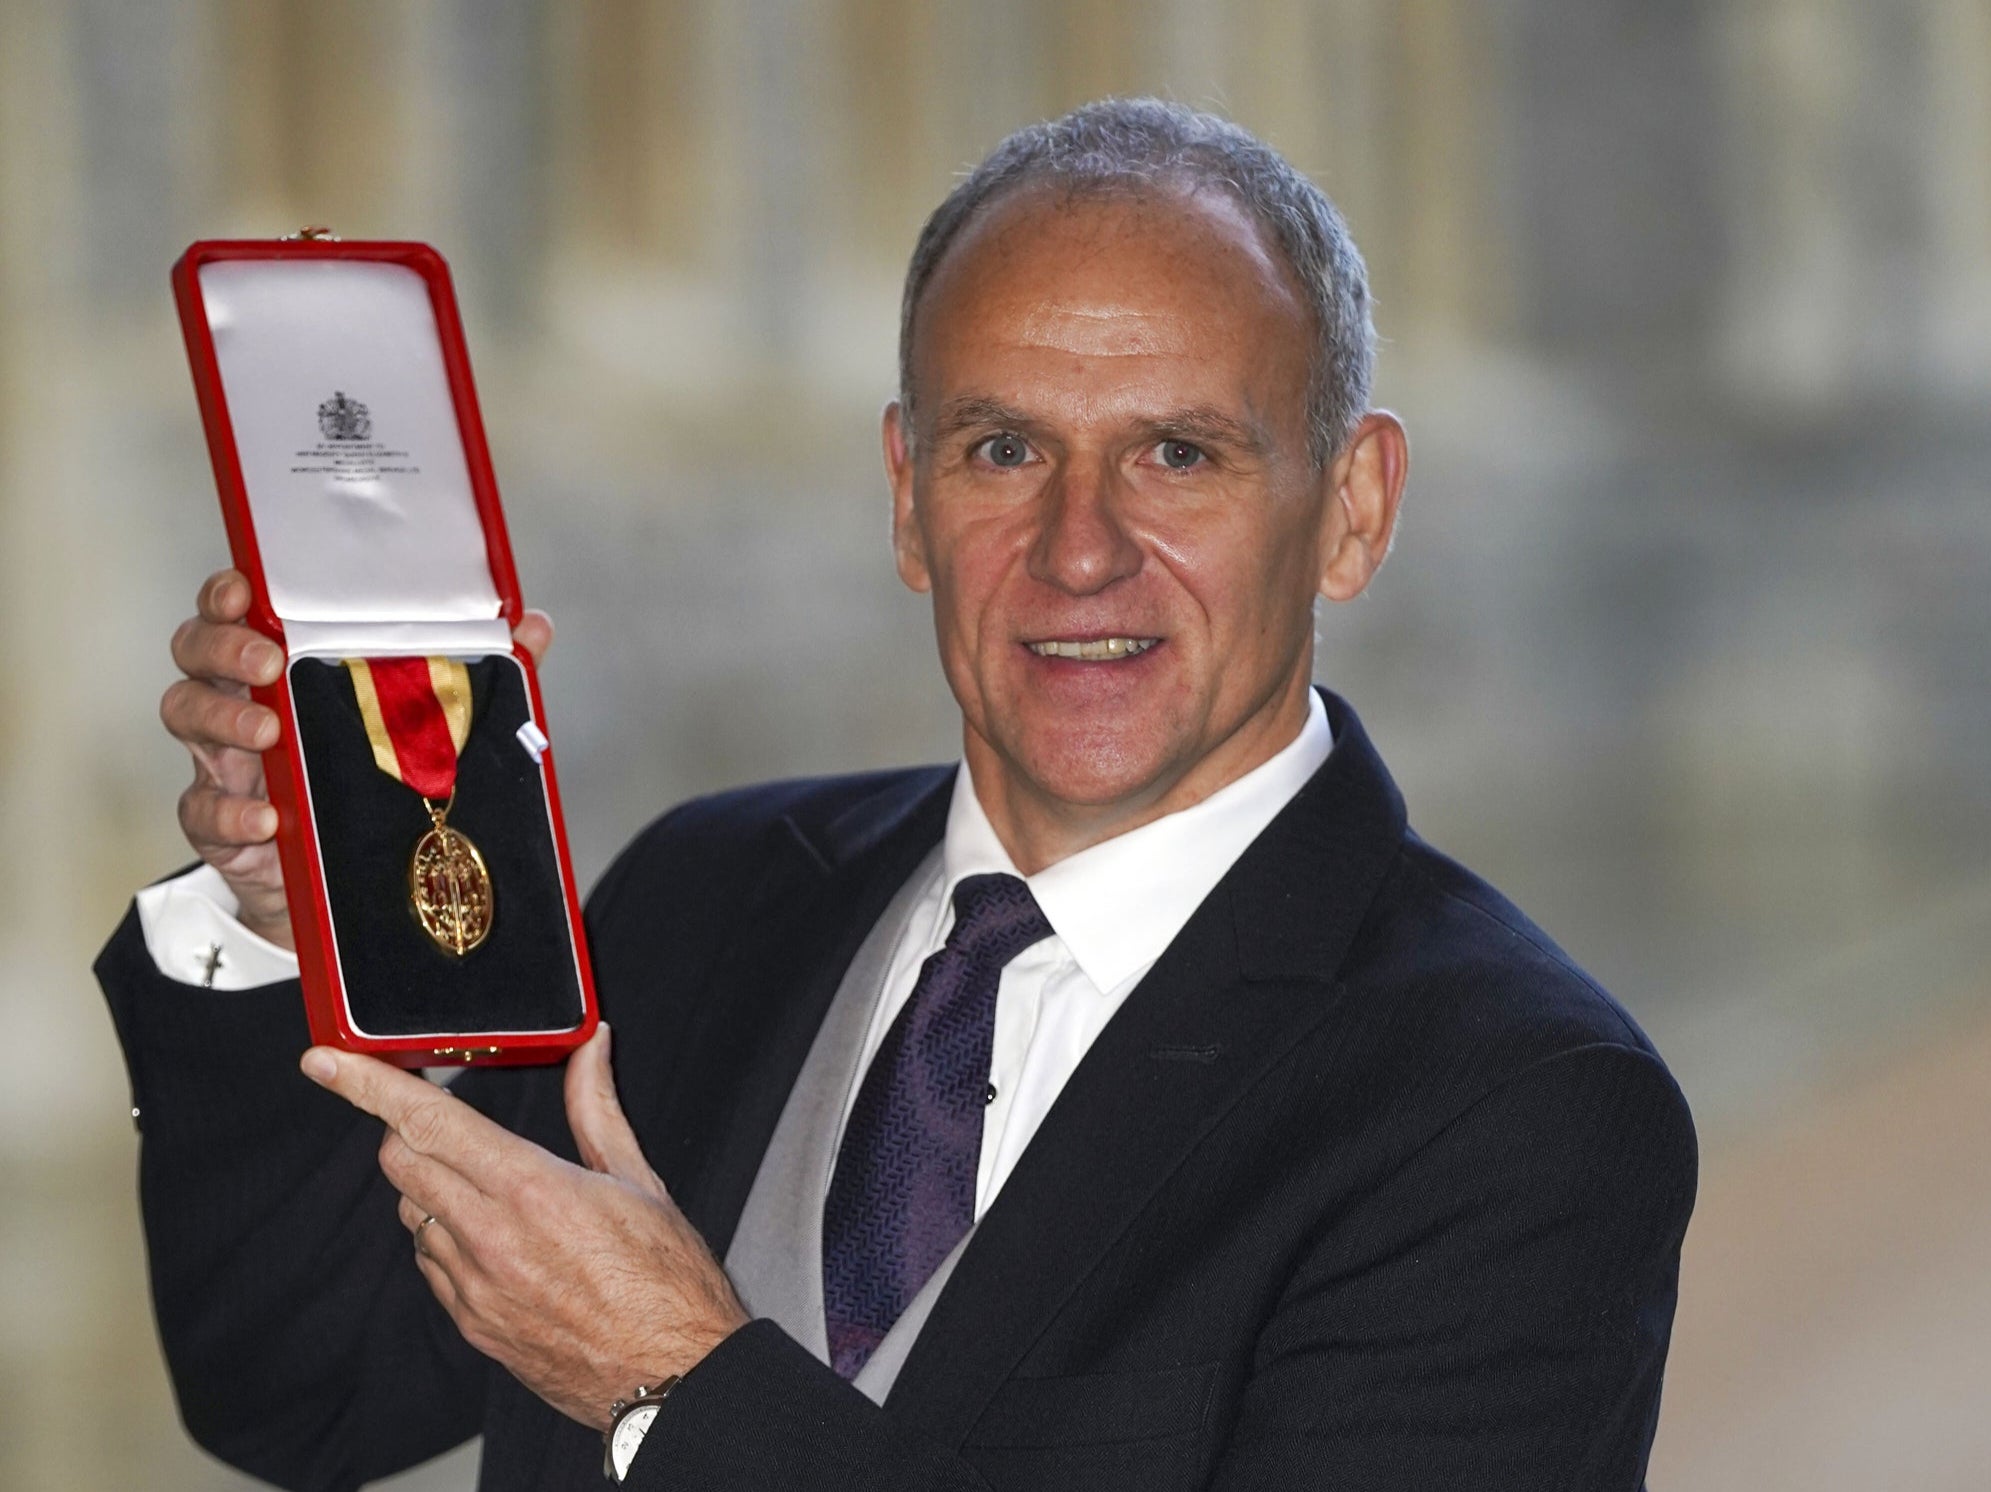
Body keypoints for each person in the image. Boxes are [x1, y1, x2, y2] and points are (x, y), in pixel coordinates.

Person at [98, 99, 1695, 1491]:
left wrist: (674, 1383)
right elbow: (301, 1393)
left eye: (1179, 456)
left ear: (1352, 509)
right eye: (1003, 449)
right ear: (906, 498)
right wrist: (294, 914)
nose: (1081, 549)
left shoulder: (1522, 1109)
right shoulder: (703, 896)